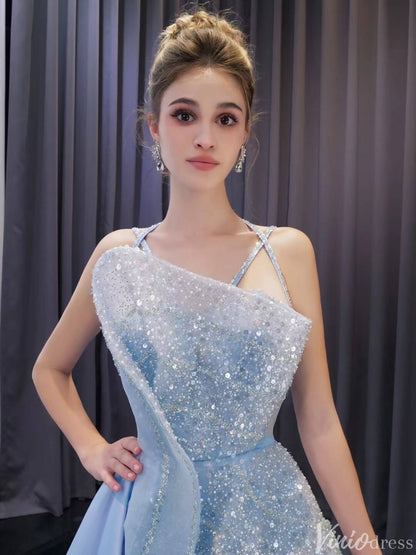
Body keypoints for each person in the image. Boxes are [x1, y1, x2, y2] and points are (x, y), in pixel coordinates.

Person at [32, 8, 381, 555]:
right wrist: (91, 448)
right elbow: (49, 369)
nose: (204, 137)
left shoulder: (287, 252)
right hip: (154, 516)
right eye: (184, 114)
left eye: (225, 119)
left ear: (245, 133)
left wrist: (366, 546)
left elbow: (318, 422)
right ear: (154, 127)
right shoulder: (122, 257)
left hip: (267, 520)